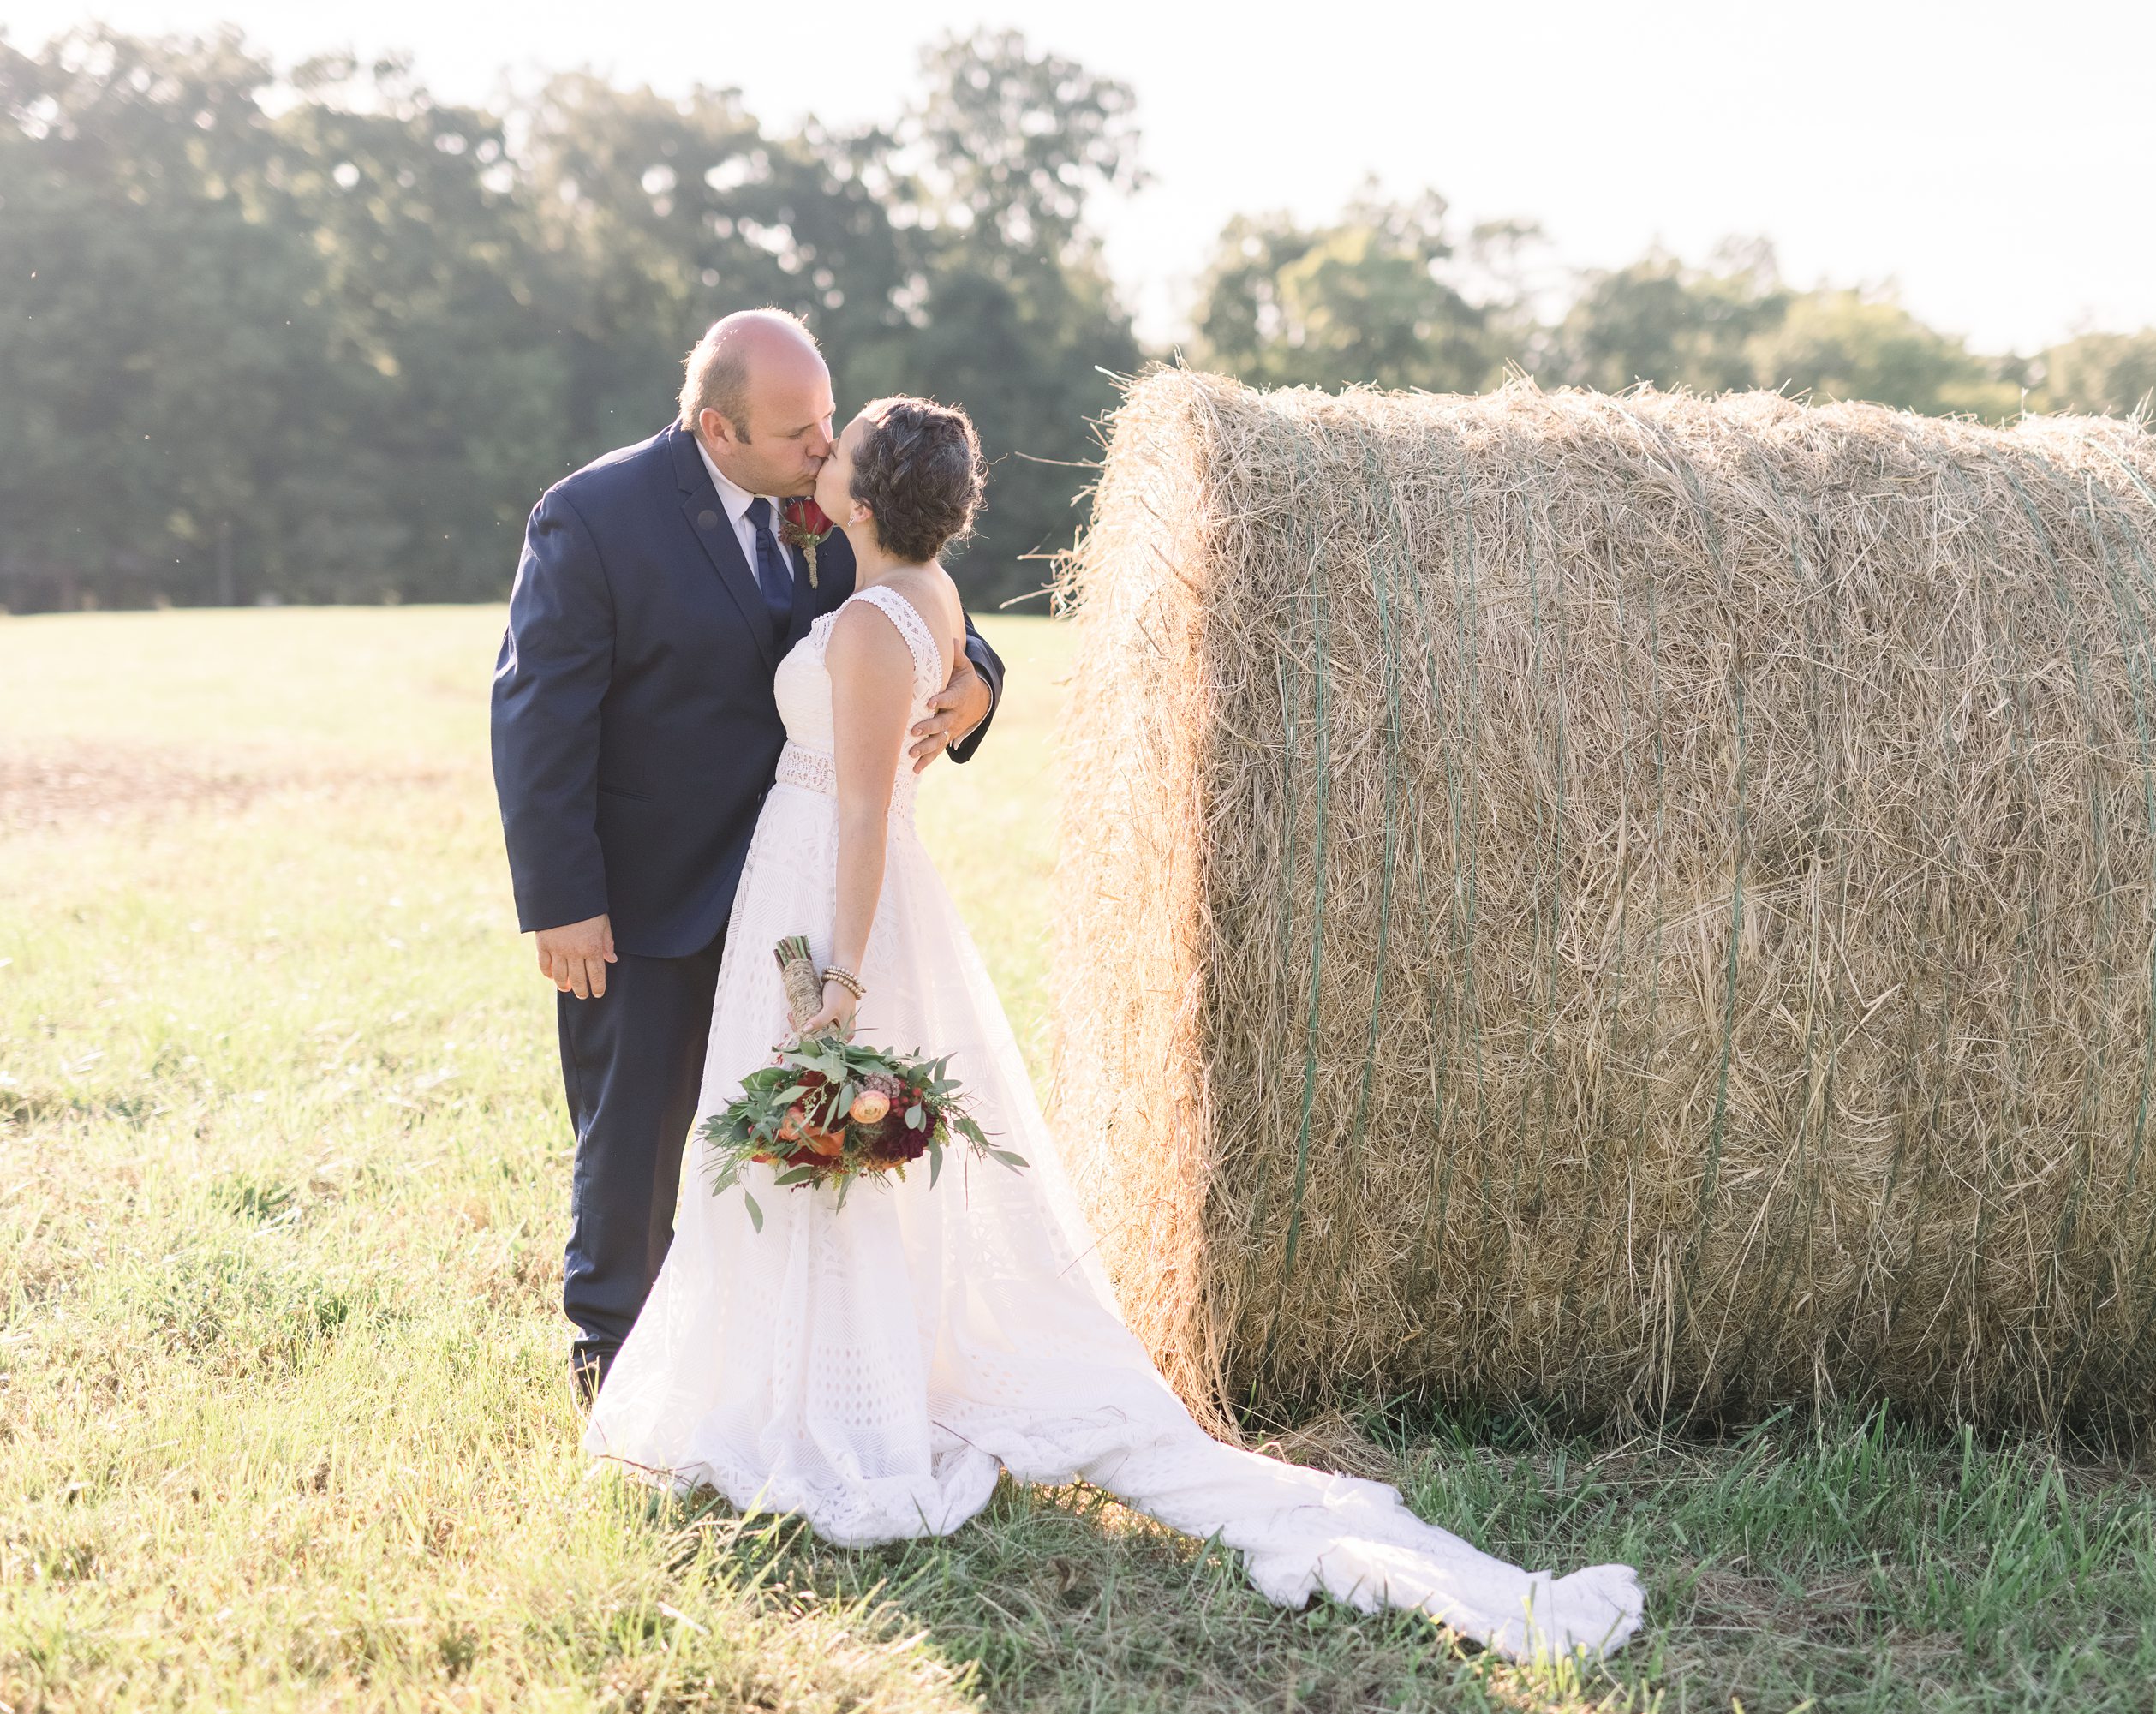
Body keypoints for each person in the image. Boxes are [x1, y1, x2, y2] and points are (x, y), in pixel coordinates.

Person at [581, 395, 1645, 1663]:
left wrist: (840, 987)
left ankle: (833, 1403)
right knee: (840, 1165)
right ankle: (823, 1370)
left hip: (830, 896)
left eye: (839, 444)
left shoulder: (870, 626)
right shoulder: (927, 596)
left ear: (861, 499)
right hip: (831, 881)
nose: (821, 450)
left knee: (829, 1157)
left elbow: (863, 814)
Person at [490, 310, 1006, 1403]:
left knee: (791, 1131)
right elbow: (537, 718)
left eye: (829, 421)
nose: (826, 448)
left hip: (796, 885)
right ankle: (613, 1355)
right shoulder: (594, 517)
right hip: (646, 893)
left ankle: (778, 1355)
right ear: (718, 430)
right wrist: (564, 902)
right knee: (635, 1126)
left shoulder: (828, 505)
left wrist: (978, 683)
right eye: (798, 432)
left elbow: (904, 599)